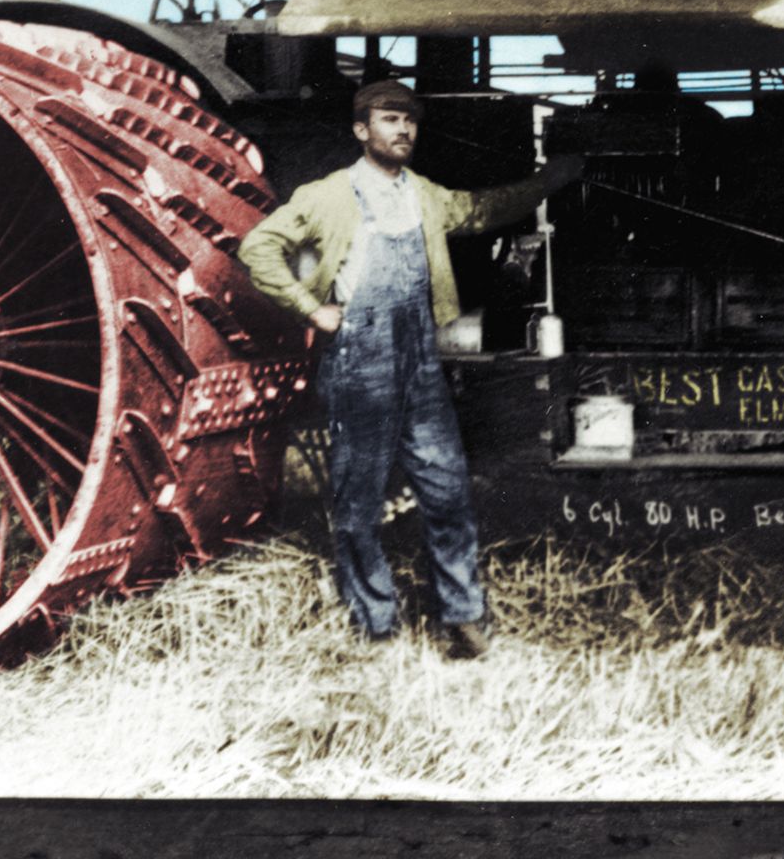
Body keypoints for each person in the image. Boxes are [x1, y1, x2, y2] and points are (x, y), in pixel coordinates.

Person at [238, 79, 583, 657]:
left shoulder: (423, 194)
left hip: (421, 357)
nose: (403, 130)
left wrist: (550, 180)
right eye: (389, 119)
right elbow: (257, 248)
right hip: (360, 358)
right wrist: (312, 310)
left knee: (447, 490)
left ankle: (464, 620)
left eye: (410, 121)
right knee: (359, 502)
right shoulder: (328, 195)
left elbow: (482, 210)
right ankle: (376, 625)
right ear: (361, 130)